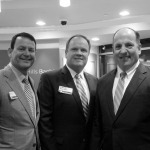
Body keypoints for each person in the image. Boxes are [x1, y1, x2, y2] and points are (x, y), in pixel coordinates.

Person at [90, 27, 150, 150]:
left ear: (139, 48)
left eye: (129, 45)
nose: (123, 51)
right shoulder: (102, 82)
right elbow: (97, 124)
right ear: (113, 50)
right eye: (118, 46)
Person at [38, 34, 98, 150]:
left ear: (88, 54)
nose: (79, 53)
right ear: (66, 52)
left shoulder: (94, 81)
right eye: (74, 49)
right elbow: (44, 120)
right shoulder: (50, 79)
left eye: (83, 50)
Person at [0, 32, 40, 150]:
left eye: (31, 50)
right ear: (10, 52)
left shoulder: (30, 82)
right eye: (21, 48)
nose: (27, 54)